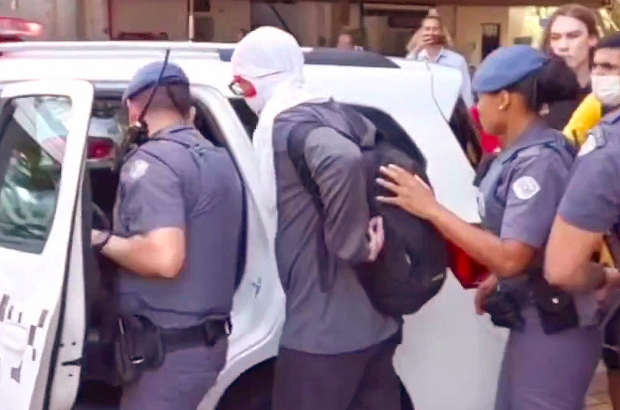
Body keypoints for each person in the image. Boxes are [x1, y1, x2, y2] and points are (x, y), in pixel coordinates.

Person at [377, 45, 601, 410]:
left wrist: (432, 210)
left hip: (556, 322)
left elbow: (512, 257)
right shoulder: (515, 154)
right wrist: (498, 280)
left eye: (480, 98)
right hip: (533, 314)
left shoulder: (539, 161)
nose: (476, 108)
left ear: (504, 100)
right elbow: (535, 240)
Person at [230, 26, 401, 410]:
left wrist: (351, 244)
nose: (245, 98)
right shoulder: (333, 110)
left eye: (241, 87)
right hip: (374, 321)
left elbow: (341, 159)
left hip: (323, 334)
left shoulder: (288, 124)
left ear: (253, 82)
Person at [91, 62, 244, 410]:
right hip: (202, 346)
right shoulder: (218, 159)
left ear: (134, 108)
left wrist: (99, 239)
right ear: (187, 110)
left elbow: (164, 259)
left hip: (165, 354)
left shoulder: (154, 164)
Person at [546, 33, 620, 410]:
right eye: (595, 67)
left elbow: (561, 267)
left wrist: (605, 277)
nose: (599, 76)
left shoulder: (607, 148)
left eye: (609, 68)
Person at [541, 3, 600, 131]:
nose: (563, 46)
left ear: (592, 39)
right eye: (555, 38)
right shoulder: (538, 88)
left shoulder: (607, 88)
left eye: (573, 36)